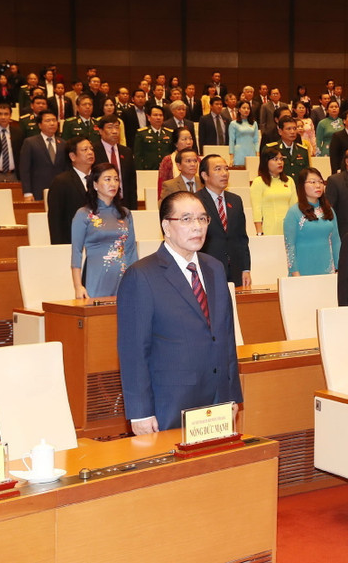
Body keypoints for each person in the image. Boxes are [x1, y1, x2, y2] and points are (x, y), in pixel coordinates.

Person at [116, 192, 242, 433]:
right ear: (166, 226)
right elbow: (133, 350)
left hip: (216, 398)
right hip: (170, 403)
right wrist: (140, 411)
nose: (197, 227)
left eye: (202, 219)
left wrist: (231, 394)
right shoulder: (142, 275)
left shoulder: (214, 268)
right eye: (186, 219)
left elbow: (226, 336)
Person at [70, 163, 137, 299]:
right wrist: (78, 286)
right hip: (95, 277)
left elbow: (130, 251)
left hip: (122, 278)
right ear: (95, 184)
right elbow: (76, 252)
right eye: (107, 179)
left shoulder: (125, 213)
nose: (113, 183)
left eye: (116, 179)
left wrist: (136, 281)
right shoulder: (84, 214)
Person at [197, 154, 251, 288]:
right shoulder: (195, 201)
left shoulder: (235, 200)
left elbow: (241, 238)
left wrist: (245, 268)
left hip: (235, 268)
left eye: (226, 169)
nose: (224, 173)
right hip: (207, 268)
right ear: (204, 175)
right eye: (218, 169)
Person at [283, 168, 340, 276]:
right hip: (302, 271)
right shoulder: (294, 212)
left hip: (327, 270)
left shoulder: (328, 210)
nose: (318, 186)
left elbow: (336, 241)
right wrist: (295, 272)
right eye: (313, 182)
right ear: (301, 185)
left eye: (320, 182)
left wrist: (339, 268)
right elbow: (290, 246)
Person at [48, 137, 95, 245]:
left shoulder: (100, 178)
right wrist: (59, 247)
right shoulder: (61, 181)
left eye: (91, 149)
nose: (90, 152)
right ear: (72, 156)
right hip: (73, 241)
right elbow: (56, 220)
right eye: (85, 150)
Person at [250, 147, 296, 236]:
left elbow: (294, 207)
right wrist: (259, 233)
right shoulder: (259, 182)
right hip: (269, 229)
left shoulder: (289, 181)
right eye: (275, 159)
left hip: (289, 228)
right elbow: (257, 210)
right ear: (265, 162)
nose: (280, 162)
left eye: (281, 159)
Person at [156, 127, 195, 198]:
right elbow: (162, 187)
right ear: (176, 143)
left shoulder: (198, 160)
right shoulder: (168, 160)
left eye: (190, 138)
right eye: (184, 139)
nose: (189, 142)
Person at [227, 99, 260, 167]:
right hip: (239, 153)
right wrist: (231, 157)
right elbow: (232, 141)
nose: (246, 110)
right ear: (239, 110)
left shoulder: (254, 123)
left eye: (248, 108)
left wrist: (257, 154)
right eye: (244, 108)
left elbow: (256, 140)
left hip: (252, 152)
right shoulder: (233, 124)